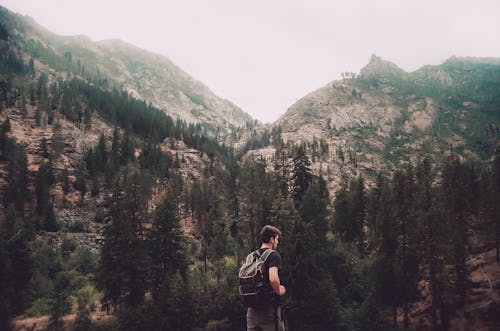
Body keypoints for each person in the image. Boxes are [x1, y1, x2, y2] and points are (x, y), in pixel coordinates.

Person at [247, 225, 286, 331]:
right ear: (271, 239)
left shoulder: (251, 256)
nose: (277, 242)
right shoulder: (273, 255)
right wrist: (279, 290)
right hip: (268, 309)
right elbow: (273, 279)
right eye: (277, 239)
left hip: (252, 310)